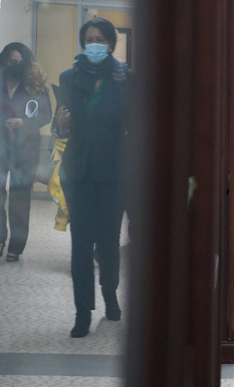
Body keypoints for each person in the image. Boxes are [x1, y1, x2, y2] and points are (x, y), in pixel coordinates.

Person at [53, 17, 130, 337]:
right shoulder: (69, 77)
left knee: (109, 241)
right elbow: (61, 127)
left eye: (100, 39)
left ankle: (110, 292)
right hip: (79, 171)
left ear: (111, 44)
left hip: (114, 171)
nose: (94, 44)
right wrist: (60, 123)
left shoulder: (127, 79)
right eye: (89, 39)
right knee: (81, 243)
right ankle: (82, 311)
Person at [0, 42, 52, 262]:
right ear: (4, 61)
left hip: (25, 149)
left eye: (21, 63)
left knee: (20, 199)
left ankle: (16, 247)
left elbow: (46, 115)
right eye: (12, 62)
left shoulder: (34, 84)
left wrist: (25, 123)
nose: (16, 66)